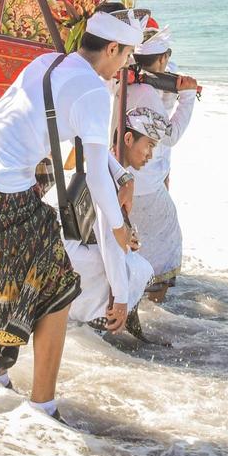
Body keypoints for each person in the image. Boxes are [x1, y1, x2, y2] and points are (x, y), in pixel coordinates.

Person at [0, 6, 143, 421]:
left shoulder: (49, 61)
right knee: (58, 290)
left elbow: (72, 145)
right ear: (111, 48)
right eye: (126, 56)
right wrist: (119, 227)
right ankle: (42, 405)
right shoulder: (94, 92)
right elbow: (92, 173)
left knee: (26, 284)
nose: (125, 67)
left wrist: (121, 175)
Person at [64, 107, 169, 337]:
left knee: (129, 262)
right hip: (66, 253)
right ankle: (105, 326)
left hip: (68, 245)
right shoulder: (105, 175)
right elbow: (110, 240)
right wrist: (121, 300)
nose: (150, 155)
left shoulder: (104, 163)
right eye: (149, 145)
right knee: (132, 267)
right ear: (129, 139)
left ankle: (116, 327)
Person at [122, 27, 199, 303]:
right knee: (166, 243)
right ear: (163, 59)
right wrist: (188, 95)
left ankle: (132, 297)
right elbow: (170, 135)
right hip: (143, 185)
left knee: (132, 244)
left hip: (124, 177)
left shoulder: (123, 81)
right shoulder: (147, 96)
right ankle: (155, 307)